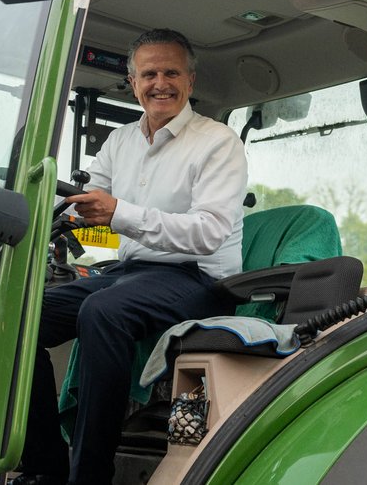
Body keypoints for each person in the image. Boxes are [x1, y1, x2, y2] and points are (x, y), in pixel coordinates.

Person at [17, 28, 247, 485]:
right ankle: (45, 470)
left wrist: (117, 213)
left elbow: (207, 234)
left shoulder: (219, 142)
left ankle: (91, 476)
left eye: (171, 73)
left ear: (190, 80)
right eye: (149, 74)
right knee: (18, 316)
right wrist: (45, 213)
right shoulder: (121, 141)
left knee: (102, 311)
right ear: (133, 81)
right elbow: (86, 199)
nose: (160, 83)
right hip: (130, 272)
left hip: (198, 279)